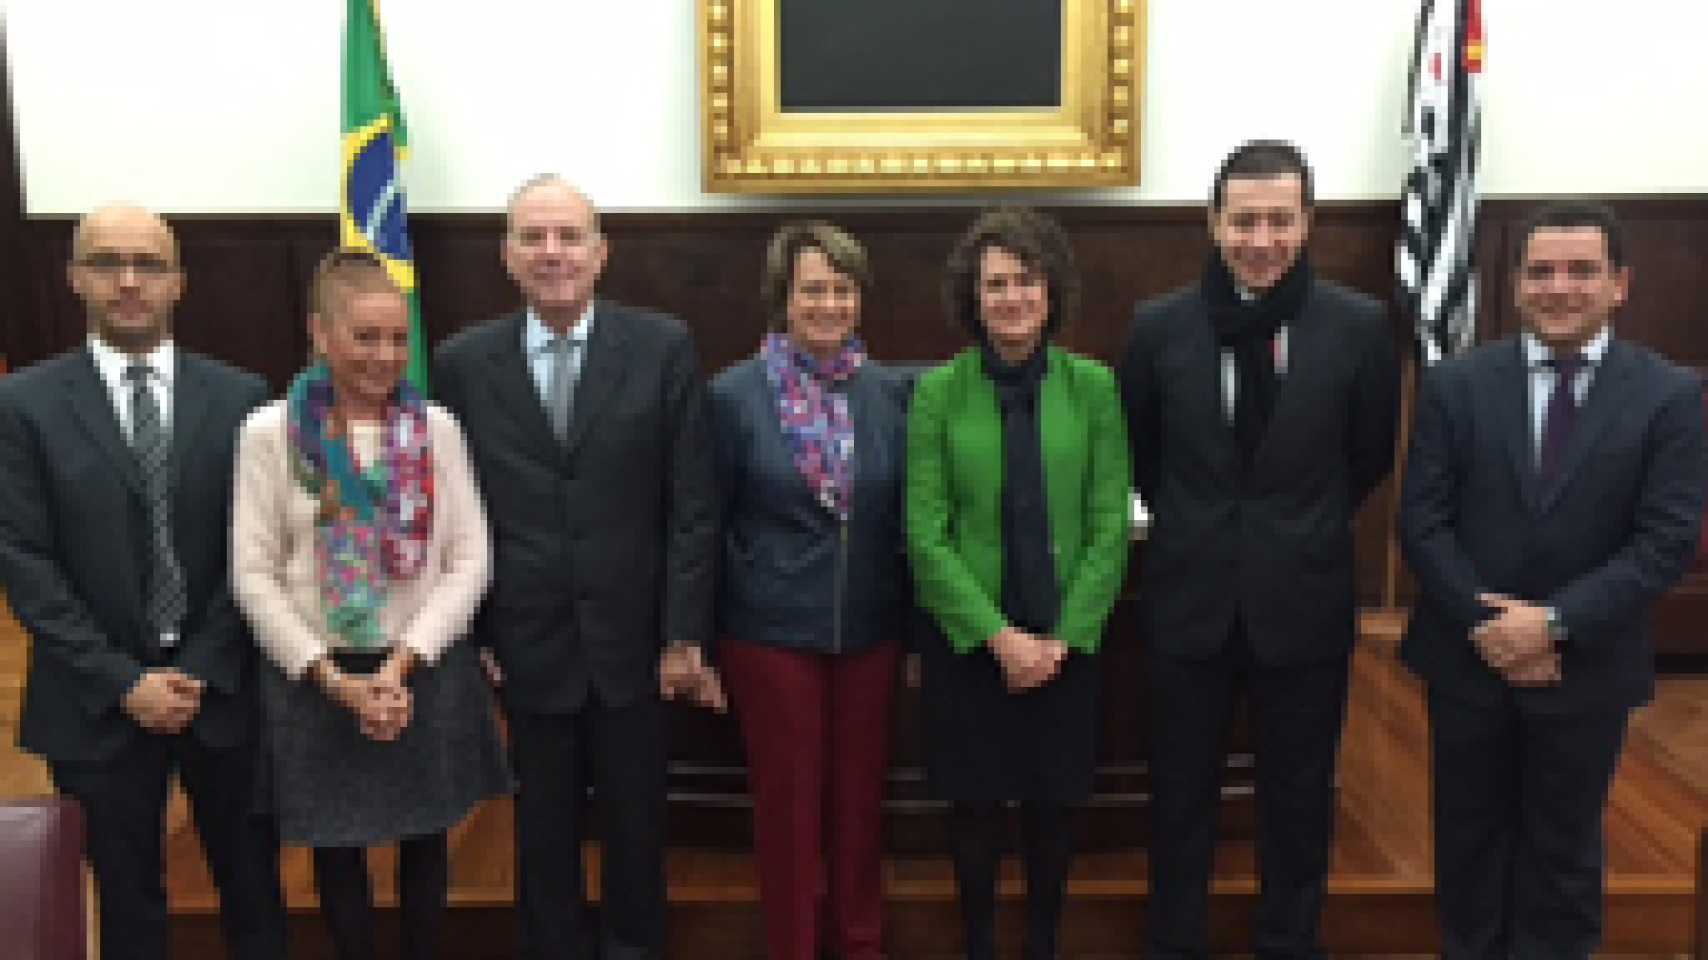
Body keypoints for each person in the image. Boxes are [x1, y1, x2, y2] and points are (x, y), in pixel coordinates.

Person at [1399, 200, 1704, 959]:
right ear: (1516, 282)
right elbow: (1423, 521)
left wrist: (1553, 624)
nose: (1559, 288)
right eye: (1541, 271)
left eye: (1581, 271)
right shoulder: (1456, 384)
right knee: (1467, 849)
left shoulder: (1669, 396)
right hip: (1467, 661)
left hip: (1588, 664)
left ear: (1619, 285)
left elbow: (1666, 540)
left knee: (1562, 856)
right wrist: (1490, 626)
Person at [1117, 140, 1399, 959]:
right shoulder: (1158, 326)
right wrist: (1208, 530)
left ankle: (1288, 939)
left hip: (1303, 603)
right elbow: (1145, 452)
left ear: (1308, 222)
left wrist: (1290, 529)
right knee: (1180, 796)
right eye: (1245, 220)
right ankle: (1173, 942)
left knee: (1298, 794)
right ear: (1213, 222)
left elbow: (1368, 454)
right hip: (1189, 603)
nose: (1262, 238)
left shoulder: (1356, 326)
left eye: (1281, 219)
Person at [432, 175, 722, 960]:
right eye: (534, 238)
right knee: (542, 831)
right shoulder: (461, 363)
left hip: (636, 639)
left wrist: (684, 633)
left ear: (601, 253)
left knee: (636, 824)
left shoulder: (662, 346)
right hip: (524, 642)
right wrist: (476, 632)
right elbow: (452, 511)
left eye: (568, 238)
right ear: (508, 256)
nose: (552, 253)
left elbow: (693, 503)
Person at [0, 204, 287, 960]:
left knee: (255, 894)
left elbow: (256, 549)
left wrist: (195, 666)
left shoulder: (242, 398)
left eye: (148, 264)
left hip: (221, 688)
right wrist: (124, 679)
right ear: (74, 278)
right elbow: (23, 559)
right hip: (94, 700)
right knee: (128, 910)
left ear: (179, 282)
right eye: (106, 262)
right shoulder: (22, 406)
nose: (129, 282)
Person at [231, 248, 510, 960]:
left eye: (397, 339)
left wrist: (404, 661)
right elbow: (253, 573)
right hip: (319, 677)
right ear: (320, 333)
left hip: (421, 664)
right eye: (365, 337)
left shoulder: (438, 430)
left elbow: (470, 557)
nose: (385, 357)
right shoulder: (267, 435)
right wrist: (332, 677)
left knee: (428, 834)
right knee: (337, 845)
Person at [907, 206, 1132, 960]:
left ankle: (1041, 942)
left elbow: (1109, 526)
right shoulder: (939, 393)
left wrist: (1062, 638)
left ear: (1051, 290)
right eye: (995, 283)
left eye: (1025, 280)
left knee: (1053, 805)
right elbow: (925, 535)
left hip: (1067, 639)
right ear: (971, 298)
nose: (1011, 297)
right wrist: (1000, 639)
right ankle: (979, 943)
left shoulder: (1093, 387)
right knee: (974, 806)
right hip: (973, 640)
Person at [710, 222, 911, 960]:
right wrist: (691, 640)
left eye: (842, 289)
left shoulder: (892, 393)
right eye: (813, 290)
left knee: (861, 804)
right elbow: (705, 524)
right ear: (782, 299)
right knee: (789, 809)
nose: (829, 304)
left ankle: (861, 945)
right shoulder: (732, 396)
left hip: (870, 627)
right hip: (768, 631)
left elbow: (910, 524)